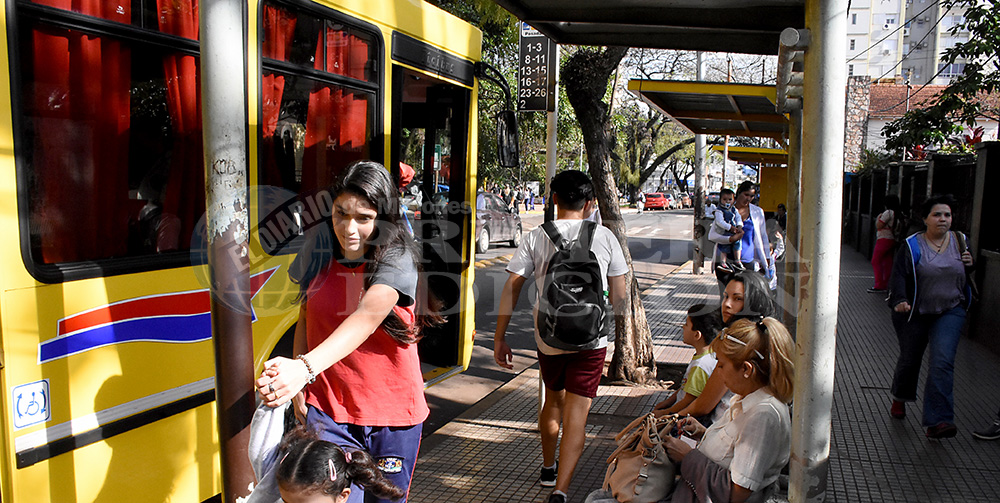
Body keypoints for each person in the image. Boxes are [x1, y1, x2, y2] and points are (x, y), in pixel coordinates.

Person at [255, 160, 442, 502]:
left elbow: (368, 314)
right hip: (330, 413)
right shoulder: (317, 251)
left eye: (363, 218)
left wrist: (303, 369)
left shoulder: (397, 256)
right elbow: (306, 316)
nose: (349, 228)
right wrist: (301, 388)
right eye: (341, 213)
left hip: (393, 418)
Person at [493, 170, 628, 503]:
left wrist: (500, 337)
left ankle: (547, 468)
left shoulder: (537, 236)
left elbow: (511, 287)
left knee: (553, 401)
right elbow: (620, 297)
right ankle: (561, 490)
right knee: (576, 417)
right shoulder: (605, 237)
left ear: (553, 199)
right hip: (592, 340)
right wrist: (613, 335)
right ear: (590, 203)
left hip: (549, 338)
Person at [588, 317, 795, 503]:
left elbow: (738, 493)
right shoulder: (745, 400)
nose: (718, 373)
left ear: (746, 369)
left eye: (721, 366)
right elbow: (733, 452)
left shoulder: (763, 415)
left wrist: (687, 457)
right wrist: (703, 434)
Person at [887, 194, 974, 439]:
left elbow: (965, 271)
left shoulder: (960, 241)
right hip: (914, 311)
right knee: (910, 359)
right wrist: (900, 300)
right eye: (937, 215)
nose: (943, 219)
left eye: (947, 215)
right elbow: (899, 275)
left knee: (942, 361)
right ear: (925, 219)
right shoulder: (912, 245)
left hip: (950, 310)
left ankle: (939, 421)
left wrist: (970, 263)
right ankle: (900, 397)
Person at [672, 271, 777, 426]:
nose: (727, 304)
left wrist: (670, 418)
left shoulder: (739, 343)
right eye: (726, 296)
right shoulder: (762, 337)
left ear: (754, 302)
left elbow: (703, 405)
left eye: (737, 299)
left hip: (723, 427)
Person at [652, 303, 724, 417]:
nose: (683, 327)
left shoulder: (700, 365)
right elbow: (685, 388)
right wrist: (668, 402)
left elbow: (688, 400)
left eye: (686, 324)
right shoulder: (709, 355)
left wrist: (665, 413)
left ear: (697, 335)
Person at [709, 181, 772, 281]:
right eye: (746, 195)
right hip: (725, 263)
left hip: (747, 262)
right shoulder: (723, 210)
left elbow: (763, 236)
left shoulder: (757, 212)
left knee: (746, 290)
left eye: (751, 196)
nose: (748, 198)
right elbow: (712, 235)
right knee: (727, 291)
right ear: (738, 193)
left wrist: (767, 257)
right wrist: (731, 239)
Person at [869, 195, 901, 293]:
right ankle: (887, 284)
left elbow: (879, 225)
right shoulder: (898, 213)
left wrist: (879, 218)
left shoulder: (888, 213)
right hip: (892, 240)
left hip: (883, 239)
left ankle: (879, 285)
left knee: (875, 261)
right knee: (888, 262)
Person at [713, 188, 744, 267]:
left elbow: (738, 217)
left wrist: (739, 226)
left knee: (738, 243)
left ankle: (737, 260)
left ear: (734, 200)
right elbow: (720, 222)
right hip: (725, 232)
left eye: (730, 199)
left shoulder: (734, 209)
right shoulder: (719, 210)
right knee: (724, 247)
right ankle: (723, 262)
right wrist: (730, 228)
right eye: (724, 199)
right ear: (720, 200)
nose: (727, 201)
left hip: (734, 231)